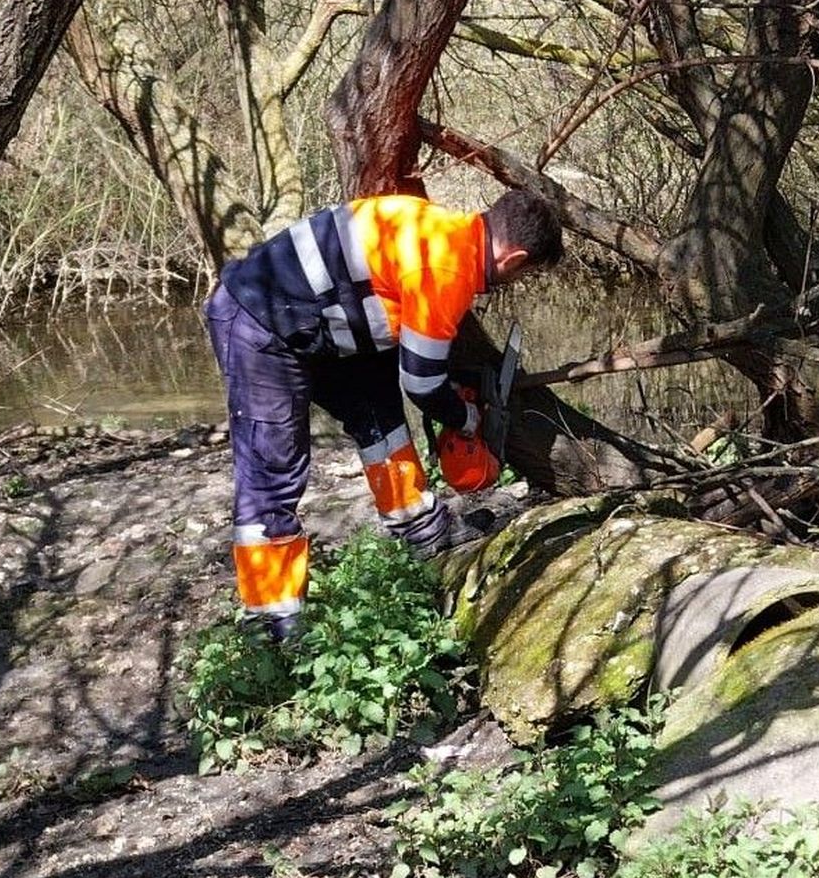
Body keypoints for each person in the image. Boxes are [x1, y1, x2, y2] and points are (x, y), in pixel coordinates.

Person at [204, 189, 564, 642]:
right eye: (523, 275)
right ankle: (271, 619)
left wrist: (449, 391)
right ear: (515, 258)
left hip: (327, 322)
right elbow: (423, 383)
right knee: (272, 466)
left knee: (380, 417)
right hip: (259, 319)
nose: (515, 283)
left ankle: (420, 528)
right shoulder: (447, 265)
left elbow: (418, 361)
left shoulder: (444, 230)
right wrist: (467, 419)